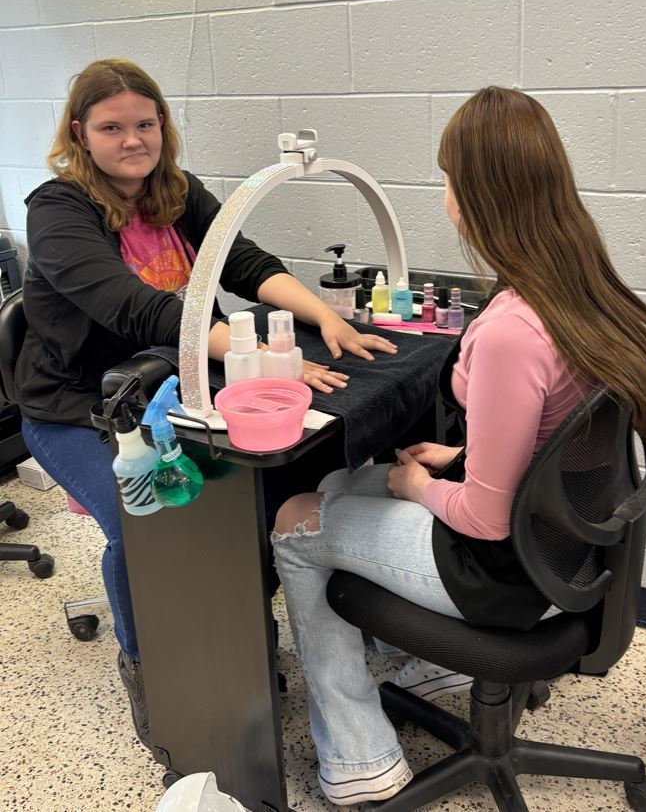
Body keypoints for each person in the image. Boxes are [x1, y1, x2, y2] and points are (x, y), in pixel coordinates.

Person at [271, 86, 646, 805]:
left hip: (501, 568)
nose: (443, 196)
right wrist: (460, 463)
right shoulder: (587, 289)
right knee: (338, 491)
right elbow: (546, 441)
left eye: (446, 178)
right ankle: (435, 670)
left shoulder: (509, 332)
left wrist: (420, 488)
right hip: (562, 552)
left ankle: (360, 757)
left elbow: (486, 519)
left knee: (294, 522)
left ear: (475, 194)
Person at [15, 58, 396, 750]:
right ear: (79, 132)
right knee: (145, 523)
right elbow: (132, 307)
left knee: (242, 500)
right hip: (78, 409)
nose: (133, 140)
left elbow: (243, 263)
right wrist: (257, 359)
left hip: (183, 386)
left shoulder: (177, 193)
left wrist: (327, 318)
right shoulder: (57, 209)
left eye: (145, 122)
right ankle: (149, 664)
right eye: (111, 127)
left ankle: (235, 635)